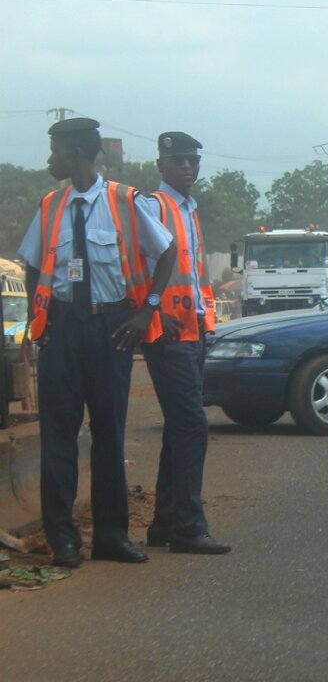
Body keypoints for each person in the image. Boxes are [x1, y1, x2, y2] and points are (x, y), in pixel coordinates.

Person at [19, 117, 177, 568]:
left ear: (78, 154)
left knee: (109, 434)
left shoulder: (125, 202)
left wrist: (146, 309)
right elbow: (32, 262)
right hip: (63, 331)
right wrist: (38, 315)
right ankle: (63, 540)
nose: (51, 160)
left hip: (111, 330)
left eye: (56, 152)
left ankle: (111, 536)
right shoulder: (50, 205)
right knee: (58, 436)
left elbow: (165, 251)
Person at [140, 131, 231, 554]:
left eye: (193, 160)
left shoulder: (189, 211)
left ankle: (164, 523)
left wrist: (207, 323)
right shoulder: (152, 207)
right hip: (168, 334)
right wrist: (154, 314)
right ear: (161, 164)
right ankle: (189, 528)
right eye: (178, 161)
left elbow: (196, 277)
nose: (188, 167)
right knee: (192, 425)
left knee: (180, 428)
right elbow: (136, 270)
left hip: (194, 332)